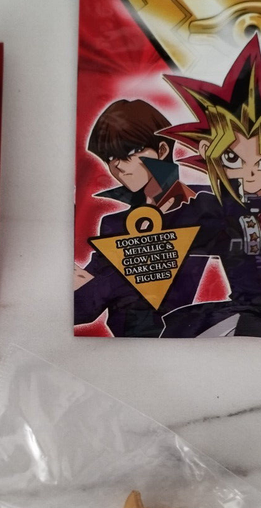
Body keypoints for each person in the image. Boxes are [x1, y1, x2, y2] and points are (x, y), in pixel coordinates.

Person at [156, 35, 261, 338]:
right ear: (209, 152)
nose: (251, 170)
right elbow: (199, 239)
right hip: (248, 318)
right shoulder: (211, 205)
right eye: (232, 157)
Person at [74, 98, 210, 337]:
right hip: (127, 347)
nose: (118, 166)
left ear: (162, 150)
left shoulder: (204, 205)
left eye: (130, 152)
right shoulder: (114, 225)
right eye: (110, 158)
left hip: (195, 338)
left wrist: (104, 280)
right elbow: (82, 308)